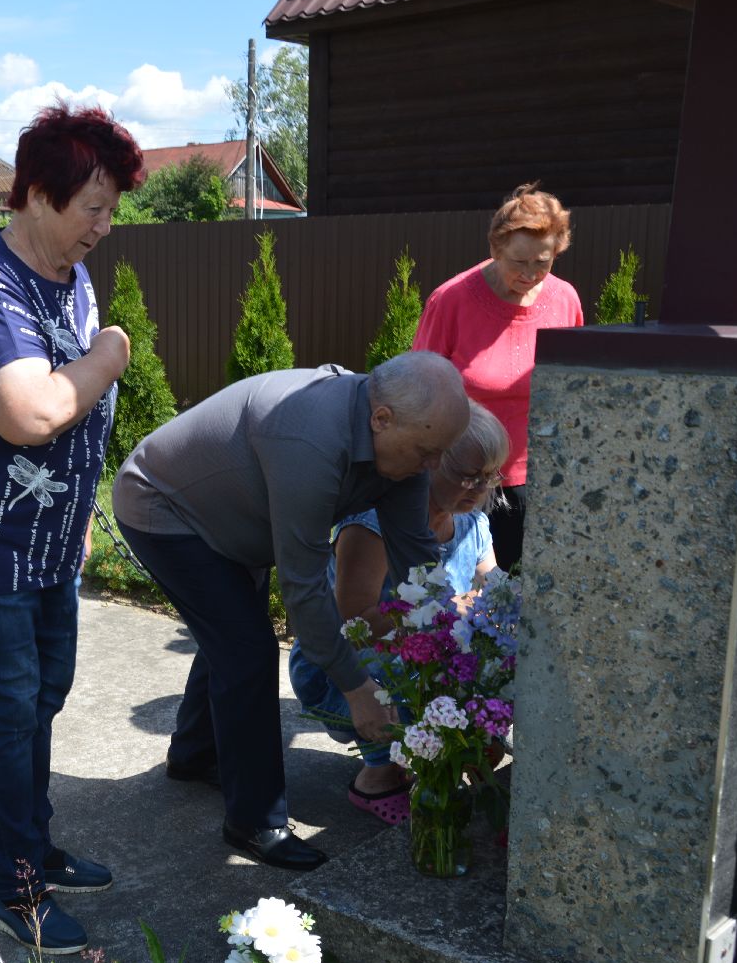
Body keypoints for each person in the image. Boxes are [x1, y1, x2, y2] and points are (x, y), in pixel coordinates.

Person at [0, 103, 142, 955]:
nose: (104, 225)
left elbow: (79, 424)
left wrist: (78, 515)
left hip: (50, 545)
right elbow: (33, 411)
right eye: (93, 205)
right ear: (40, 193)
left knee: (43, 699)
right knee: (7, 712)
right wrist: (111, 353)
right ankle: (15, 889)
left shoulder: (70, 278)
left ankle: (35, 846)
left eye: (111, 207)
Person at [114, 351, 471, 872]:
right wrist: (356, 689)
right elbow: (303, 590)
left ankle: (194, 754)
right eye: (427, 451)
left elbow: (417, 558)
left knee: (231, 636)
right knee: (248, 648)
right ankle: (254, 821)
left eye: (440, 452)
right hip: (166, 508)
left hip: (234, 519)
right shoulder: (309, 440)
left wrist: (452, 649)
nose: (434, 466)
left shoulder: (403, 448)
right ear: (382, 419)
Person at [288, 402, 507, 825]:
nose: (480, 487)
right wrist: (444, 611)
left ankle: (441, 757)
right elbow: (356, 626)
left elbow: (492, 586)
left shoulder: (472, 523)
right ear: (430, 461)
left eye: (490, 475)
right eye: (468, 473)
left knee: (489, 658)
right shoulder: (371, 525)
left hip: (422, 659)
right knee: (411, 662)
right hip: (341, 670)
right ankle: (377, 778)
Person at [412, 182, 582, 573]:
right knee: (462, 601)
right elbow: (418, 391)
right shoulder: (451, 301)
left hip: (535, 477)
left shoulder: (566, 300)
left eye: (543, 261)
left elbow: (572, 391)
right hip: (463, 482)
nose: (530, 274)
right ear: (495, 249)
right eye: (519, 262)